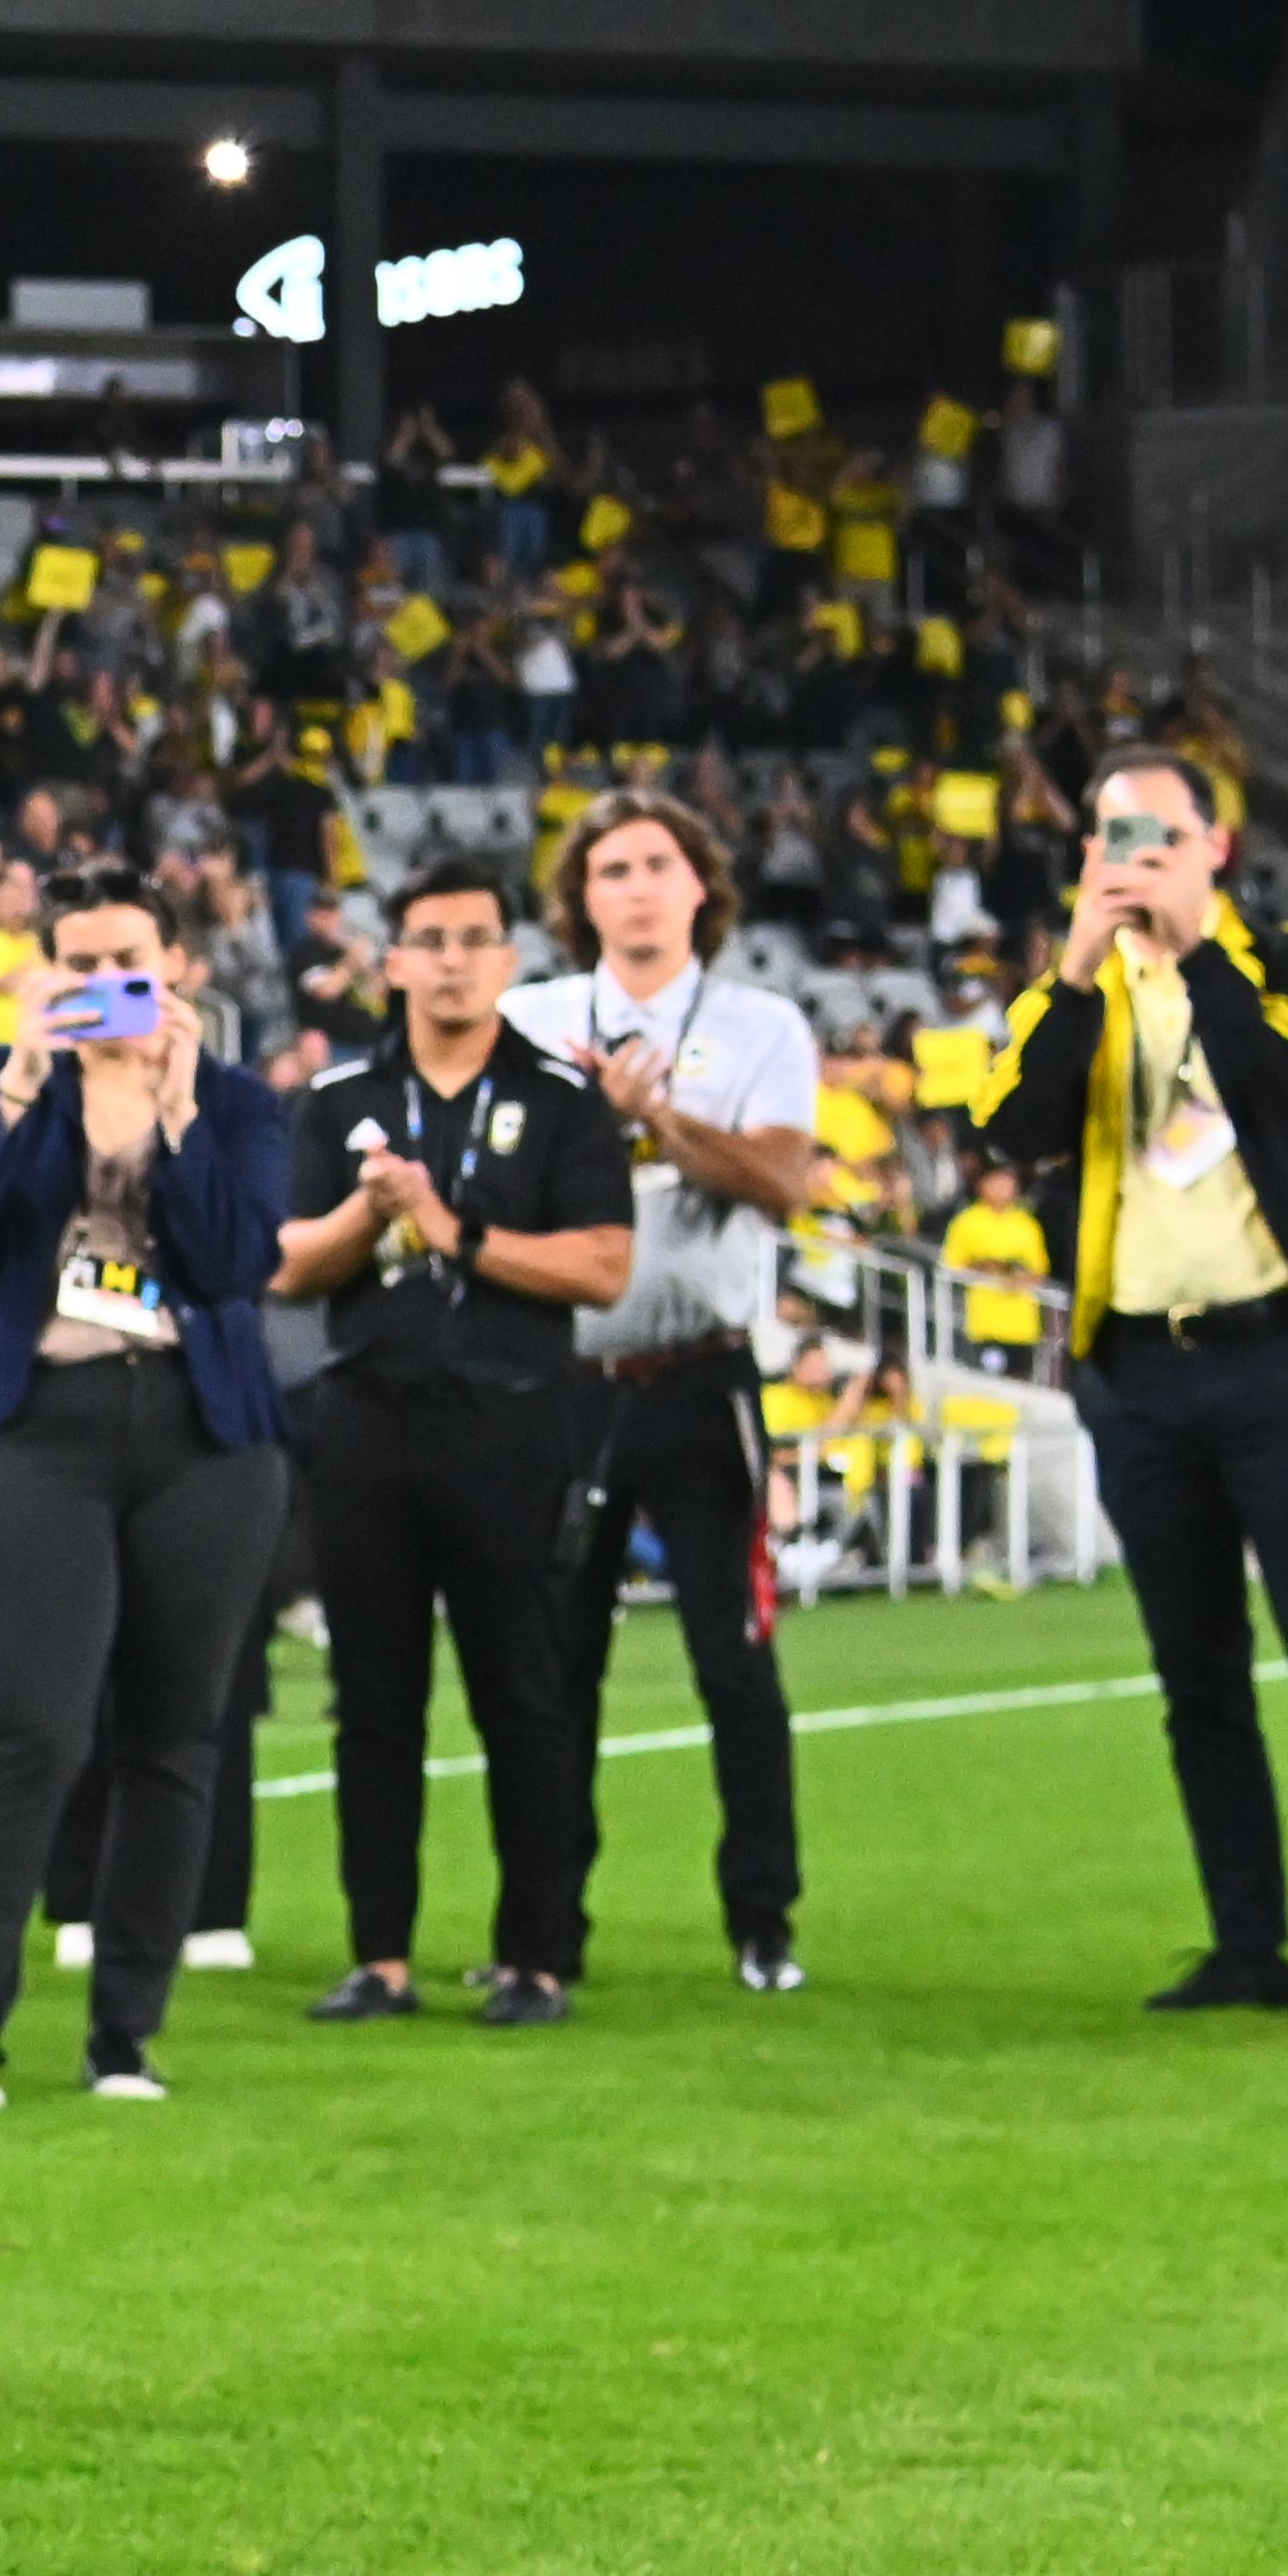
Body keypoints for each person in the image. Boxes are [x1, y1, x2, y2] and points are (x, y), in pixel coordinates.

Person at [981, 753, 1288, 2020]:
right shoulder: (1070, 986)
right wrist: (1080, 968)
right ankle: (1247, 1947)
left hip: (1281, 1360)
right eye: (1109, 836)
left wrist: (1198, 951)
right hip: (1140, 1369)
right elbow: (1012, 1127)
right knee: (1195, 1678)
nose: (1131, 856)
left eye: (1156, 832)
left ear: (1215, 843)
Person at [0, 863, 291, 2106]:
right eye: (77, 961)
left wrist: (175, 1116)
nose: (102, 984)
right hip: (36, 1429)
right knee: (34, 1730)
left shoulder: (234, 1100)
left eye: (127, 960)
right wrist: (14, 1080)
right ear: (44, 971)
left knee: (175, 1737)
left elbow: (236, 1262)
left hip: (203, 1436)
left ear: (175, 968)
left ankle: (125, 2031)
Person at [271, 857, 632, 2026]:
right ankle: (379, 1956)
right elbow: (284, 1265)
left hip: (511, 1421)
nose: (452, 960)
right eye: (428, 939)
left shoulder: (566, 1102)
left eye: (476, 939)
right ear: (390, 961)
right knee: (370, 1700)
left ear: (510, 960)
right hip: (366, 1419)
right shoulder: (334, 1100)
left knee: (519, 1692)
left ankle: (534, 1956)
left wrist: (452, 1230)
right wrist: (367, 1218)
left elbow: (602, 1266)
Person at [500, 790, 825, 1993]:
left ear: (702, 887)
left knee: (732, 1658)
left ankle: (761, 1920)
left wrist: (657, 1120)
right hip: (560, 1378)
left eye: (657, 863)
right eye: (609, 869)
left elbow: (784, 1181)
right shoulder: (524, 1018)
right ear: (579, 900)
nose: (634, 886)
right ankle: (544, 1933)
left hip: (700, 1376)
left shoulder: (760, 1025)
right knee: (551, 1667)